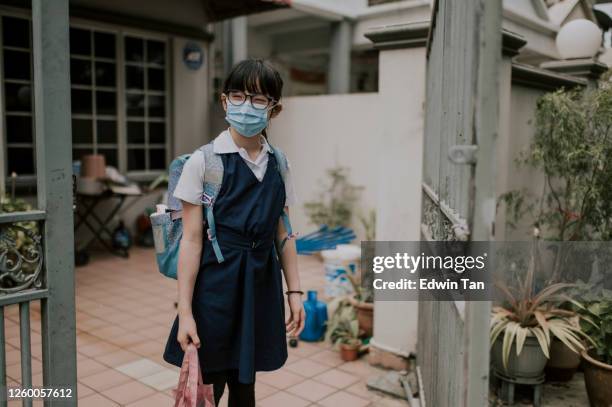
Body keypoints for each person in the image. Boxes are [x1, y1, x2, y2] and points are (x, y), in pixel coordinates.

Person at [162, 59, 305, 407]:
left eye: (258, 99)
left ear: (275, 108)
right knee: (209, 382)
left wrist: (295, 291)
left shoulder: (279, 163)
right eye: (238, 96)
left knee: (246, 382)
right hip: (215, 288)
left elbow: (282, 232)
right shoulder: (204, 162)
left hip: (259, 284)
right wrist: (186, 312)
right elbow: (192, 241)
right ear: (225, 101)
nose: (246, 105)